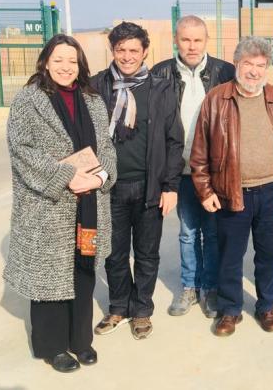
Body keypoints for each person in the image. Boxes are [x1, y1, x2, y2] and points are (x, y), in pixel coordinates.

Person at [5, 34, 117, 372]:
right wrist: (66, 175)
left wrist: (100, 177)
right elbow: (22, 149)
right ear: (45, 62)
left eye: (72, 61)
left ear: (80, 65)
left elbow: (106, 146)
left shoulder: (93, 100)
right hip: (48, 207)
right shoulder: (28, 99)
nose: (65, 67)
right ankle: (52, 346)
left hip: (88, 204)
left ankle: (80, 340)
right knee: (50, 278)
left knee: (83, 270)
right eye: (58, 60)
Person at [190, 36, 273, 337]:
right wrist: (205, 190)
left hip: (271, 192)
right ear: (237, 64)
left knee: (268, 255)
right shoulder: (217, 99)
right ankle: (230, 310)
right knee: (230, 256)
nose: (254, 71)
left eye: (261, 65)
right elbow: (199, 151)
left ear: (267, 67)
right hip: (232, 192)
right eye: (248, 64)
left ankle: (266, 307)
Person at [91, 21, 184, 340]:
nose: (127, 56)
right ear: (112, 51)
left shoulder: (161, 88)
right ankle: (118, 306)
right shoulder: (96, 86)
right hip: (110, 187)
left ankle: (142, 309)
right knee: (114, 253)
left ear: (145, 52)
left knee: (146, 254)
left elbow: (174, 140)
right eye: (121, 50)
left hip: (149, 187)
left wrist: (170, 186)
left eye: (134, 50)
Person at [152, 15, 235, 318]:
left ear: (206, 41)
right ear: (176, 40)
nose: (191, 46)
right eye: (185, 39)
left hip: (213, 172)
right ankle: (189, 286)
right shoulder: (160, 73)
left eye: (197, 40)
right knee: (187, 232)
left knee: (211, 232)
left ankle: (209, 288)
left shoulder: (225, 72)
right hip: (180, 170)